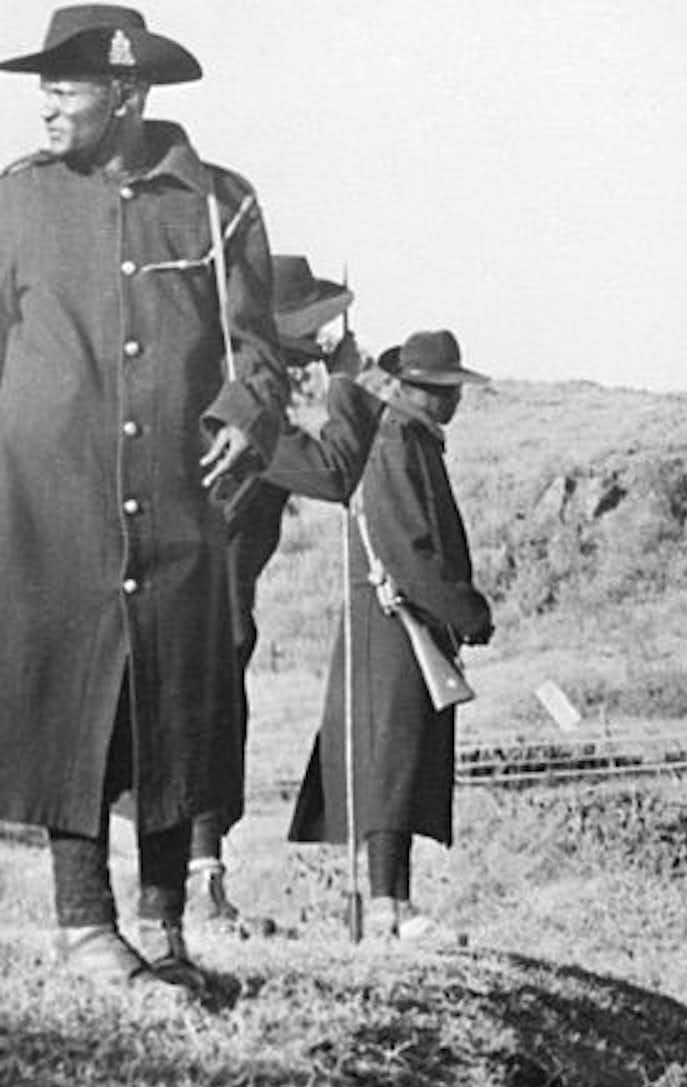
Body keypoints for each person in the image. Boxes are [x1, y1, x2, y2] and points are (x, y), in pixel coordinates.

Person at [0, 5, 287, 1006]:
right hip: (52, 505)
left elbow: (259, 350)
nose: (44, 104)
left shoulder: (219, 206)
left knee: (173, 702)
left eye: (64, 86)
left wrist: (248, 412)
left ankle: (165, 928)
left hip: (176, 501)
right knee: (68, 701)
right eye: (42, 85)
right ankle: (85, 924)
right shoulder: (17, 202)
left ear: (128, 93)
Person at [283, 331, 496, 947]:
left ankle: (395, 904)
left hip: (403, 619)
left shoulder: (409, 438)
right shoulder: (396, 439)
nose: (450, 400)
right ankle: (387, 909)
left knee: (399, 761)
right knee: (390, 763)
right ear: (414, 389)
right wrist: (467, 611)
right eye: (440, 390)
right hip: (393, 620)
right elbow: (408, 548)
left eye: (448, 389)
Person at [188, 253, 355, 934]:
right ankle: (200, 893)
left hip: (214, 612)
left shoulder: (233, 402)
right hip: (211, 617)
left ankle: (198, 887)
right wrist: (350, 382)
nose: (319, 348)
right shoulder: (255, 420)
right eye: (311, 339)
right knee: (206, 747)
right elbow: (335, 471)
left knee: (205, 746)